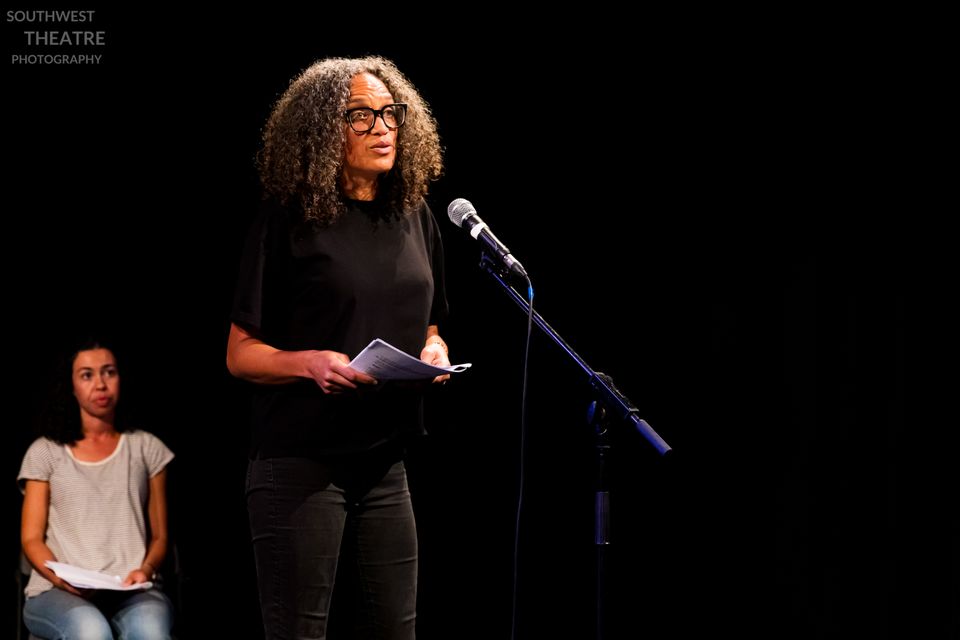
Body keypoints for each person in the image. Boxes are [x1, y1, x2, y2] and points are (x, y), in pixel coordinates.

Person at [226, 55, 449, 639]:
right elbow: (240, 352)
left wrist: (433, 352)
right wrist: (310, 364)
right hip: (300, 463)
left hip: (385, 462)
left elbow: (430, 324)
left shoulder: (414, 214)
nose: (383, 127)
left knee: (396, 630)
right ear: (324, 130)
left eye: (391, 112)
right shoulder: (289, 220)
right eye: (362, 116)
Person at [18, 338, 175, 639]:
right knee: (91, 631)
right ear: (72, 386)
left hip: (131, 588)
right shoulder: (46, 451)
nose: (100, 384)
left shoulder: (146, 448)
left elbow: (160, 536)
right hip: (56, 589)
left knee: (151, 631)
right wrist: (63, 581)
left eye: (109, 372)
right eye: (87, 375)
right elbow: (31, 538)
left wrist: (146, 569)